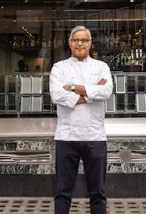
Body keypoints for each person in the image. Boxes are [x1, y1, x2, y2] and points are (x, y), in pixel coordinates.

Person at [49, 25, 113, 214]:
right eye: (76, 40)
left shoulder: (101, 67)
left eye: (84, 40)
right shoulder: (59, 67)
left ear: (90, 43)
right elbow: (56, 95)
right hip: (66, 136)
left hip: (95, 137)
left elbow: (106, 91)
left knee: (98, 192)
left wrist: (73, 88)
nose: (80, 43)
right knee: (63, 191)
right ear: (69, 43)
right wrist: (92, 92)